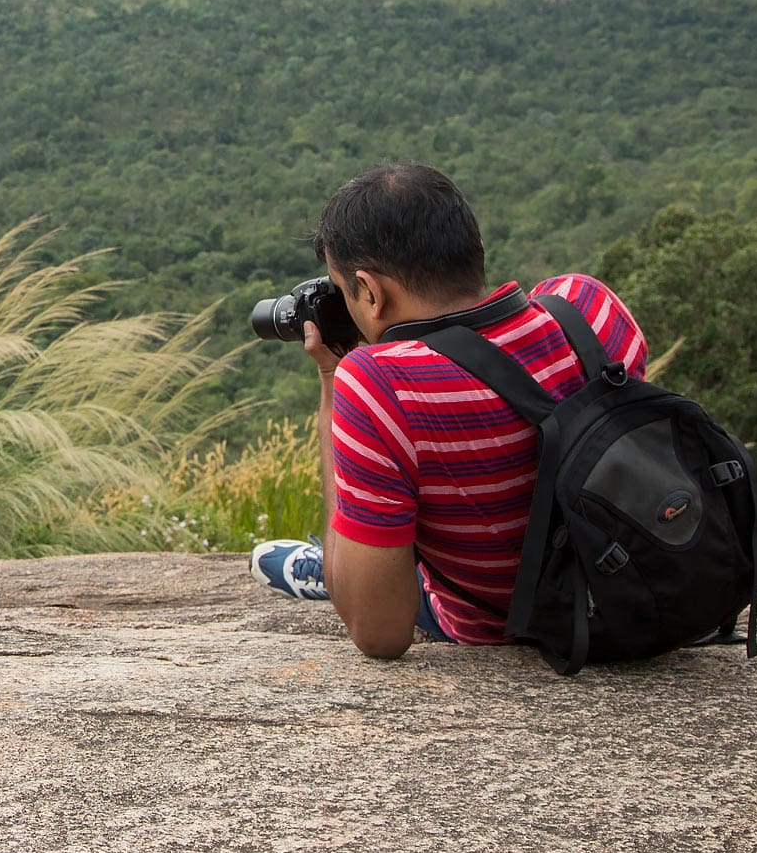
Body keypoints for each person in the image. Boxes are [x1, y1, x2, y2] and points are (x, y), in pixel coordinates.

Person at [249, 163, 648, 658]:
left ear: (370, 292)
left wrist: (333, 383)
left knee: (381, 559)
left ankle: (332, 564)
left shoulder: (377, 384)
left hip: (509, 624)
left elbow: (380, 633)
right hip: (638, 587)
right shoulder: (589, 306)